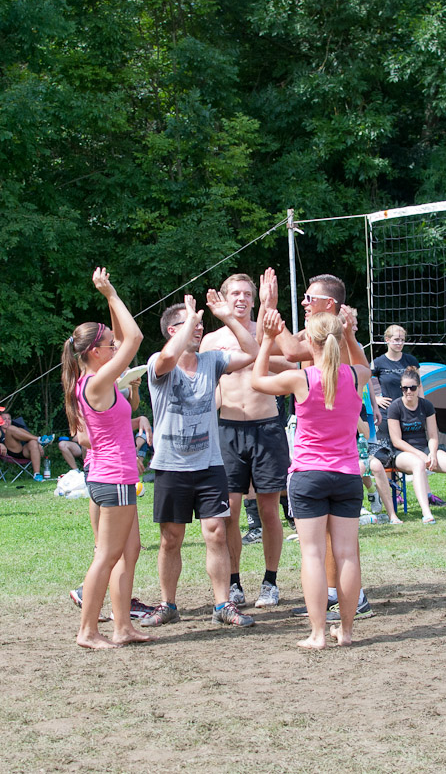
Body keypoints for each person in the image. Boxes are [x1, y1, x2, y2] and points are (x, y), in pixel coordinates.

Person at [139, 291, 260, 629]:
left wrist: (228, 318)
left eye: (199, 324)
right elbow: (167, 357)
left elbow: (253, 352)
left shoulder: (212, 361)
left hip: (209, 465)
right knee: (171, 538)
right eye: (189, 323)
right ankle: (168, 604)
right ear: (171, 331)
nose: (198, 328)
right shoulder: (157, 362)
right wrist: (191, 318)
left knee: (217, 533)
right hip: (170, 466)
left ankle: (223, 604)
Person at [251, 308, 371, 648]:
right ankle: (346, 632)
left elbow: (257, 381)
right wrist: (351, 337)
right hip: (347, 476)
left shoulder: (301, 379)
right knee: (347, 555)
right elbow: (364, 364)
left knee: (313, 555)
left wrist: (268, 341)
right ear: (338, 338)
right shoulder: (355, 376)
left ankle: (318, 634)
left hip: (309, 476)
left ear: (311, 342)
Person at [269, 271, 375, 620]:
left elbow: (289, 351)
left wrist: (270, 311)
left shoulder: (332, 333)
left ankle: (349, 599)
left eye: (309, 298)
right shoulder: (328, 331)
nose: (303, 302)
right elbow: (283, 354)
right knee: (334, 539)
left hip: (324, 452)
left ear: (329, 304)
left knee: (332, 543)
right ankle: (334, 595)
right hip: (334, 453)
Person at [62, 268, 153, 648]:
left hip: (116, 476)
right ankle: (87, 631)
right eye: (109, 347)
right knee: (107, 556)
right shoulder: (97, 383)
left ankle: (122, 627)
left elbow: (121, 337)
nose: (116, 350)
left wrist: (111, 305)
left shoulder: (100, 380)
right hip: (112, 478)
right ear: (94, 352)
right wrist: (111, 293)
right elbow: (134, 337)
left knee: (128, 551)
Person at [200, 271, 290, 609]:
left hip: (266, 427)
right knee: (230, 512)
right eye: (235, 293)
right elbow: (203, 385)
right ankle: (234, 582)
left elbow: (293, 362)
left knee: (269, 509)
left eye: (247, 294)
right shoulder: (211, 340)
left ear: (255, 299)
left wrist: (264, 353)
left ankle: (270, 581)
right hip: (227, 430)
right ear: (224, 299)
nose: (241, 299)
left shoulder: (267, 331)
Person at [373, 367, 446, 522]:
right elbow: (397, 441)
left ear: (419, 387)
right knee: (418, 464)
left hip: (425, 448)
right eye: (404, 388)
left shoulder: (426, 405)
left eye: (412, 388)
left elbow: (433, 436)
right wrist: (421, 455)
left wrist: (433, 454)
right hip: (401, 453)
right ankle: (427, 513)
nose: (408, 392)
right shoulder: (395, 407)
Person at [370, 324, 419, 420]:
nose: (400, 343)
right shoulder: (378, 362)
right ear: (387, 340)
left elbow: (419, 386)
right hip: (387, 413)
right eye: (396, 339)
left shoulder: (411, 360)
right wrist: (375, 399)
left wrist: (421, 407)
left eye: (402, 340)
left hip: (409, 412)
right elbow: (363, 382)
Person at [0, 413, 53, 482]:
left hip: (25, 451)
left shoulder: (17, 429)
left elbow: (29, 439)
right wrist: (0, 444)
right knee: (10, 428)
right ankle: (39, 439)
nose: (7, 421)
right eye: (4, 419)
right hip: (12, 451)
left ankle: (37, 474)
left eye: (9, 419)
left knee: (33, 442)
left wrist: (38, 445)